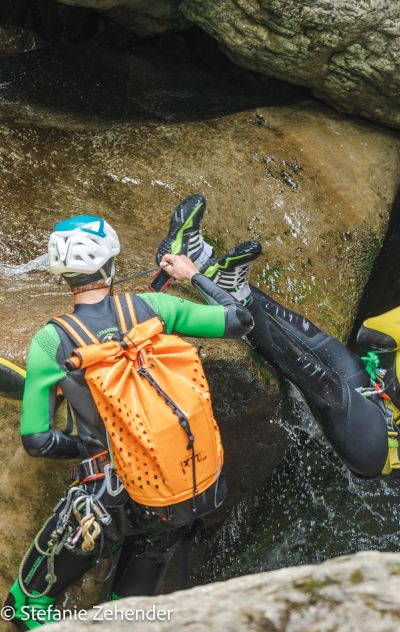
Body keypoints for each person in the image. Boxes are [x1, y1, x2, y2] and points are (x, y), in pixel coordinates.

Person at [4, 206, 255, 629]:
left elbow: (37, 441)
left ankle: (34, 613)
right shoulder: (153, 304)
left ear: (60, 274)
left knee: (23, 603)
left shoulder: (53, 340)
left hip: (107, 498)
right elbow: (240, 320)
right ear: (112, 263)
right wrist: (192, 273)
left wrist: (90, 448)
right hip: (177, 493)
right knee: (132, 607)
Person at [161, 204, 400, 481]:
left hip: (386, 444)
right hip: (376, 397)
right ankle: (213, 267)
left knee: (311, 373)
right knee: (310, 335)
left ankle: (198, 277)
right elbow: (368, 334)